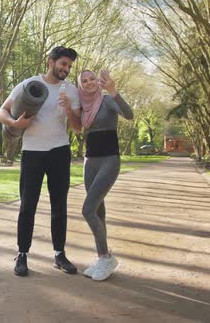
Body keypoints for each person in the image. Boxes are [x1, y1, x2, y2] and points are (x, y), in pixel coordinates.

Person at [0, 46, 82, 277]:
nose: (66, 69)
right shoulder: (30, 84)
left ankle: (59, 254)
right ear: (51, 61)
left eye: (69, 66)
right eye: (63, 64)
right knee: (27, 205)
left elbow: (77, 127)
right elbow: (1, 111)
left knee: (59, 205)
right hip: (32, 151)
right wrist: (15, 124)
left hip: (59, 151)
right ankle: (22, 255)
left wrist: (70, 111)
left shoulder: (71, 91)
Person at [76, 69, 133, 281]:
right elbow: (75, 127)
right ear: (80, 85)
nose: (89, 83)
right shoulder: (82, 105)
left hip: (109, 160)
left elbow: (129, 114)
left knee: (87, 209)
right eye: (84, 81)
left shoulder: (107, 100)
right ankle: (103, 258)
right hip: (90, 162)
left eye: (92, 79)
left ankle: (105, 256)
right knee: (99, 212)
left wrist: (114, 91)